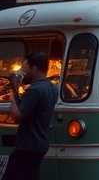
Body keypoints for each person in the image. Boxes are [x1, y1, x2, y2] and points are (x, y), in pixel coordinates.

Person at [6, 52, 59, 180]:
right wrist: (15, 87)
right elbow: (27, 109)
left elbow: (18, 116)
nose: (24, 72)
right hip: (40, 144)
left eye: (26, 68)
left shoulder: (35, 90)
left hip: (27, 146)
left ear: (34, 68)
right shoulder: (51, 87)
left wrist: (12, 98)